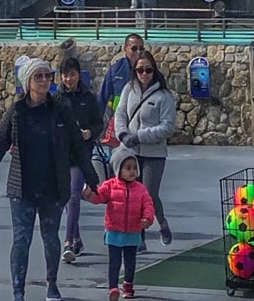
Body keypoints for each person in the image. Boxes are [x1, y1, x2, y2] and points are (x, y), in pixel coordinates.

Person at [0, 58, 97, 301]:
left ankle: (52, 284)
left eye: (47, 76)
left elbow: (77, 145)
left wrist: (94, 181)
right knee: (21, 241)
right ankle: (18, 291)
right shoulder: (16, 111)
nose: (45, 81)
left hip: (53, 187)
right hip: (21, 188)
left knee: (51, 238)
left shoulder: (61, 108)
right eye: (38, 76)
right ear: (27, 82)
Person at [113, 48, 176, 248]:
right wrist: (122, 134)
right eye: (140, 70)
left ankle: (162, 222)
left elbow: (167, 126)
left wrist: (139, 136)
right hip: (130, 151)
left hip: (154, 153)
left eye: (148, 70)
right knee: (132, 194)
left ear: (154, 70)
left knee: (148, 193)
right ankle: (138, 236)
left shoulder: (164, 96)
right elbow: (120, 114)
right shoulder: (128, 90)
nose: (144, 74)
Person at [85, 145, 157, 301]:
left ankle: (128, 284)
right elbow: (99, 197)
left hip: (133, 231)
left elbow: (148, 205)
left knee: (130, 261)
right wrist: (90, 195)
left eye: (134, 168)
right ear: (118, 169)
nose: (132, 171)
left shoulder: (141, 189)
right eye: (128, 168)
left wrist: (148, 219)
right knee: (115, 261)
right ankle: (112, 288)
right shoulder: (110, 186)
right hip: (114, 230)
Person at [59, 55, 106, 263]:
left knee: (74, 195)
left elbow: (98, 123)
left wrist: (90, 132)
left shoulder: (88, 97)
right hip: (60, 155)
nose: (69, 79)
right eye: (65, 75)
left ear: (79, 75)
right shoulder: (56, 99)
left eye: (72, 75)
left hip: (80, 154)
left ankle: (68, 241)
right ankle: (76, 237)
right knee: (66, 198)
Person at [97, 34, 144, 142]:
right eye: (134, 48)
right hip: (119, 124)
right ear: (125, 49)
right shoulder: (115, 70)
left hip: (142, 124)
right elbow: (102, 98)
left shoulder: (148, 70)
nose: (138, 52)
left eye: (141, 48)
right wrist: (96, 126)